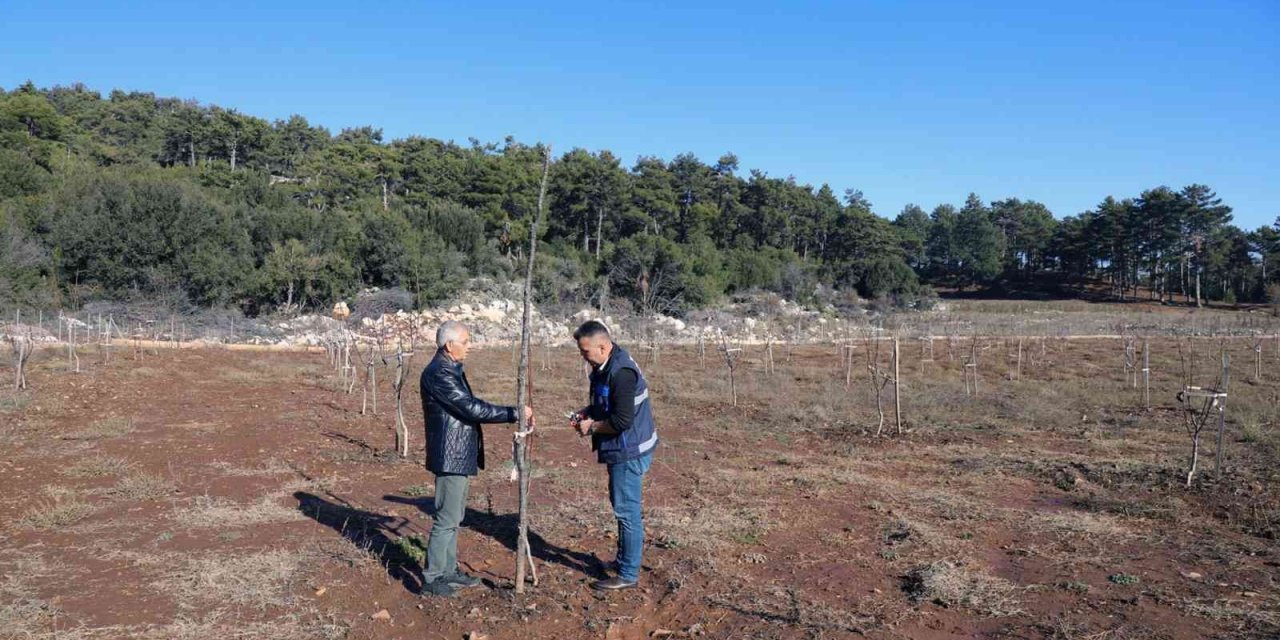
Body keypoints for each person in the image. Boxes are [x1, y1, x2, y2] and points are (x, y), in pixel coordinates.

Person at [420, 320, 533, 597]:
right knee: (446, 518)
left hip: (458, 454)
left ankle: (448, 571)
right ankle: (433, 577)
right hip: (450, 456)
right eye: (466, 342)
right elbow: (470, 408)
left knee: (455, 517)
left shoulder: (450, 369)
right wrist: (513, 413)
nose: (469, 347)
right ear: (449, 345)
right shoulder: (439, 374)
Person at [569, 320, 658, 591]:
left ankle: (628, 573)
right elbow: (606, 403)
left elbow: (621, 420)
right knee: (622, 507)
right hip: (622, 446)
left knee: (626, 511)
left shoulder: (621, 372)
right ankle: (623, 561)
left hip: (629, 450)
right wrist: (588, 412)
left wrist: (591, 427)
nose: (583, 356)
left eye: (585, 351)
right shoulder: (604, 365)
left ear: (603, 346)